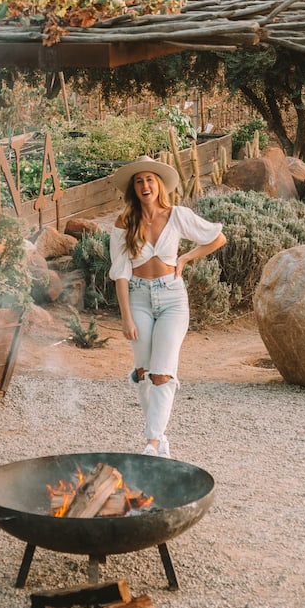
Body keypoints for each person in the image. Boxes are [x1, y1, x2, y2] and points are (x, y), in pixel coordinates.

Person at [109, 155, 226, 457]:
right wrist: (125, 318)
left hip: (173, 298)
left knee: (161, 373)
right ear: (133, 188)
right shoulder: (124, 222)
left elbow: (217, 238)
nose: (144, 185)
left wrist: (185, 258)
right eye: (138, 181)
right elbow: (120, 272)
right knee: (145, 371)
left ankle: (151, 442)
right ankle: (159, 439)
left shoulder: (177, 215)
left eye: (149, 179)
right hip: (137, 299)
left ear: (158, 185)